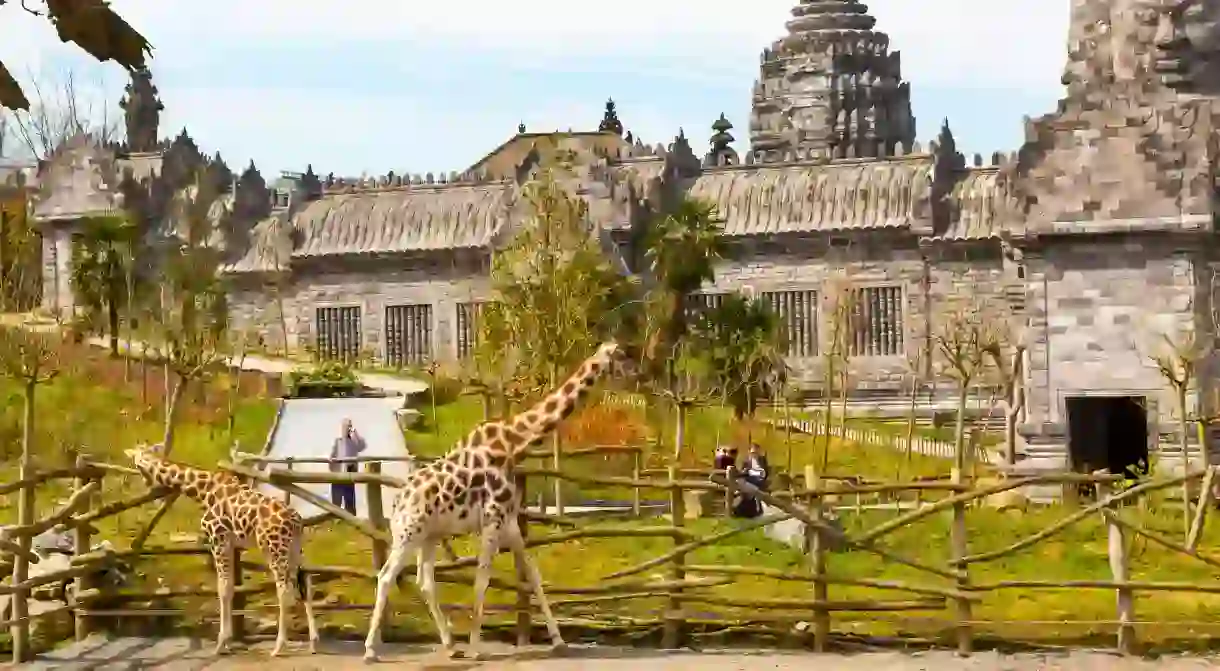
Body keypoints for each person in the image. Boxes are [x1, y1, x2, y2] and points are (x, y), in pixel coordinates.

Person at [329, 418, 366, 515]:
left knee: (349, 494)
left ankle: (350, 515)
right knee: (336, 495)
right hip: (338, 470)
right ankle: (335, 515)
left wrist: (355, 434)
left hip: (350, 469)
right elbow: (332, 454)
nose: (347, 429)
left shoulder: (354, 440)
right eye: (346, 426)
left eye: (349, 426)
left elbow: (362, 447)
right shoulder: (338, 440)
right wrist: (331, 466)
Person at [733, 443, 771, 519]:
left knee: (751, 484)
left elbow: (765, 472)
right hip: (749, 479)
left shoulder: (762, 460)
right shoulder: (746, 461)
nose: (755, 454)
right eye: (753, 452)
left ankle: (754, 505)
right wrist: (746, 472)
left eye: (756, 453)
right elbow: (742, 473)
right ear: (749, 452)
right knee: (745, 484)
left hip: (759, 479)